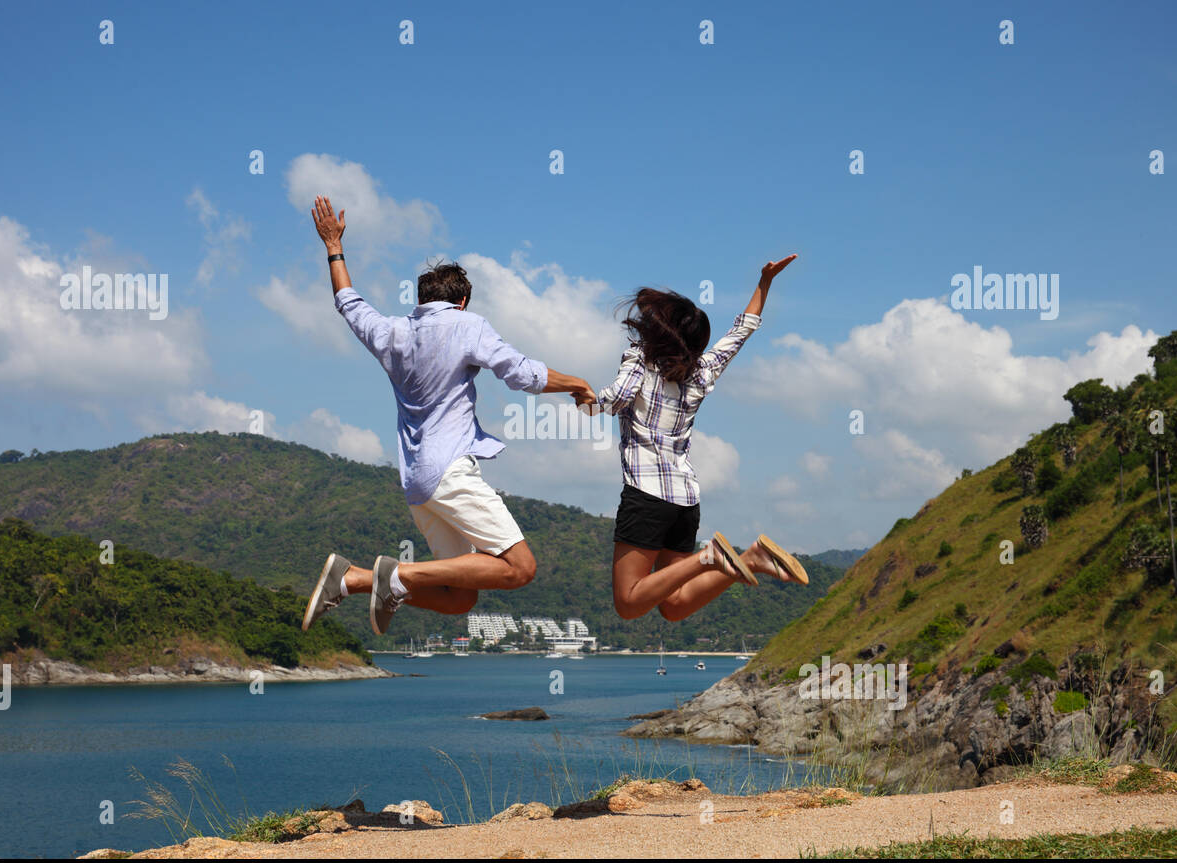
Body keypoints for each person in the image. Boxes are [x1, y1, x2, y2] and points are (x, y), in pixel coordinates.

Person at [301, 196, 594, 635]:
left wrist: (333, 247)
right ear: (462, 301)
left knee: (459, 598)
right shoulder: (466, 325)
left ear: (421, 299)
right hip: (451, 472)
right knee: (520, 568)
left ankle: (358, 580)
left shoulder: (392, 332)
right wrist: (575, 382)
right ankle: (382, 576)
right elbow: (520, 373)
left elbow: (349, 301)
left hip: (417, 483)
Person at [575, 255, 810, 623]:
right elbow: (741, 331)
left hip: (647, 495)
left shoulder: (639, 360)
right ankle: (748, 559)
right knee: (674, 605)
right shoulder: (704, 371)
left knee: (628, 601)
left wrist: (580, 395)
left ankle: (709, 557)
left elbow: (611, 401)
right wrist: (764, 283)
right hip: (685, 499)